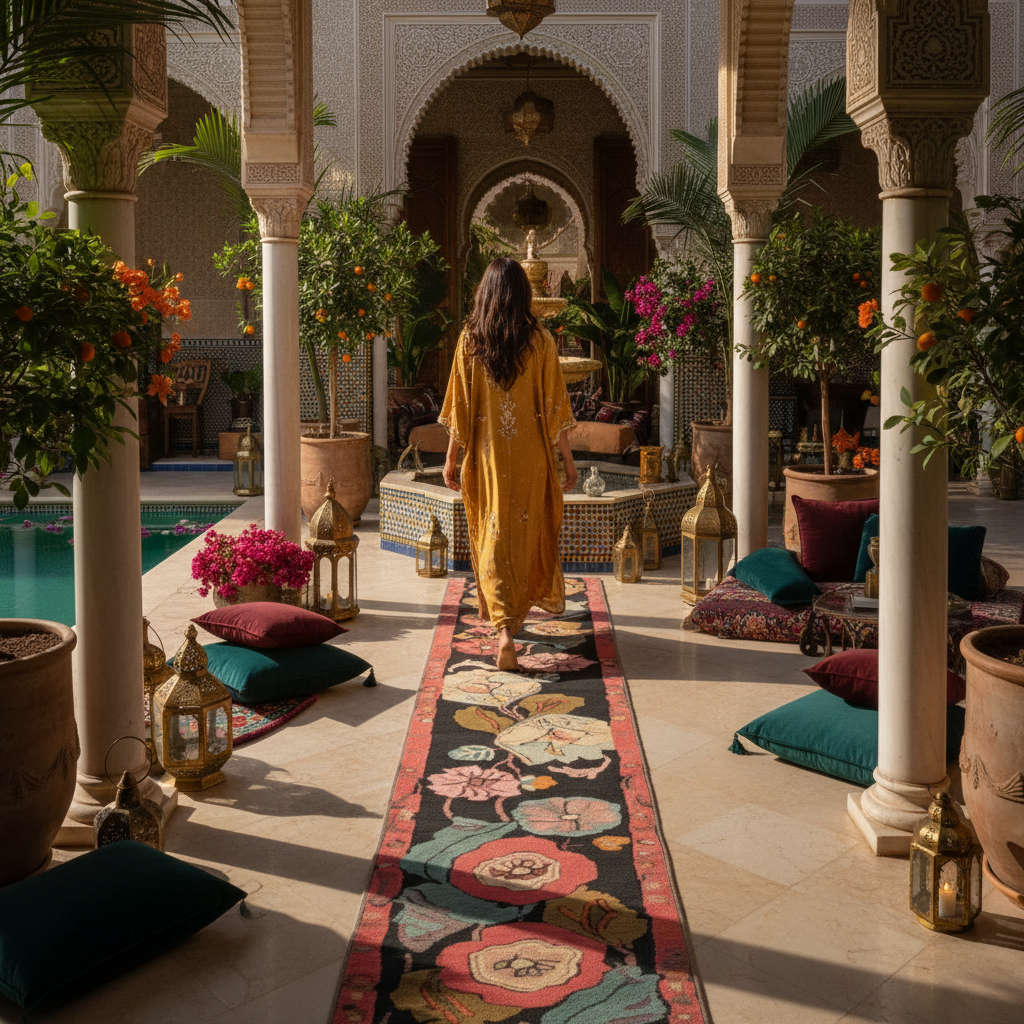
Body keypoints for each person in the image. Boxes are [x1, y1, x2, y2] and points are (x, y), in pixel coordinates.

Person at [440, 257, 578, 672]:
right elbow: (555, 411)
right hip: (532, 457)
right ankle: (512, 619)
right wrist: (568, 463)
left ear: (485, 293)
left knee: (493, 536)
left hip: (487, 458)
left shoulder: (470, 339)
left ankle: (504, 630)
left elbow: (459, 411)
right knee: (526, 530)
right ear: (523, 294)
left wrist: (450, 459)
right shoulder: (541, 341)